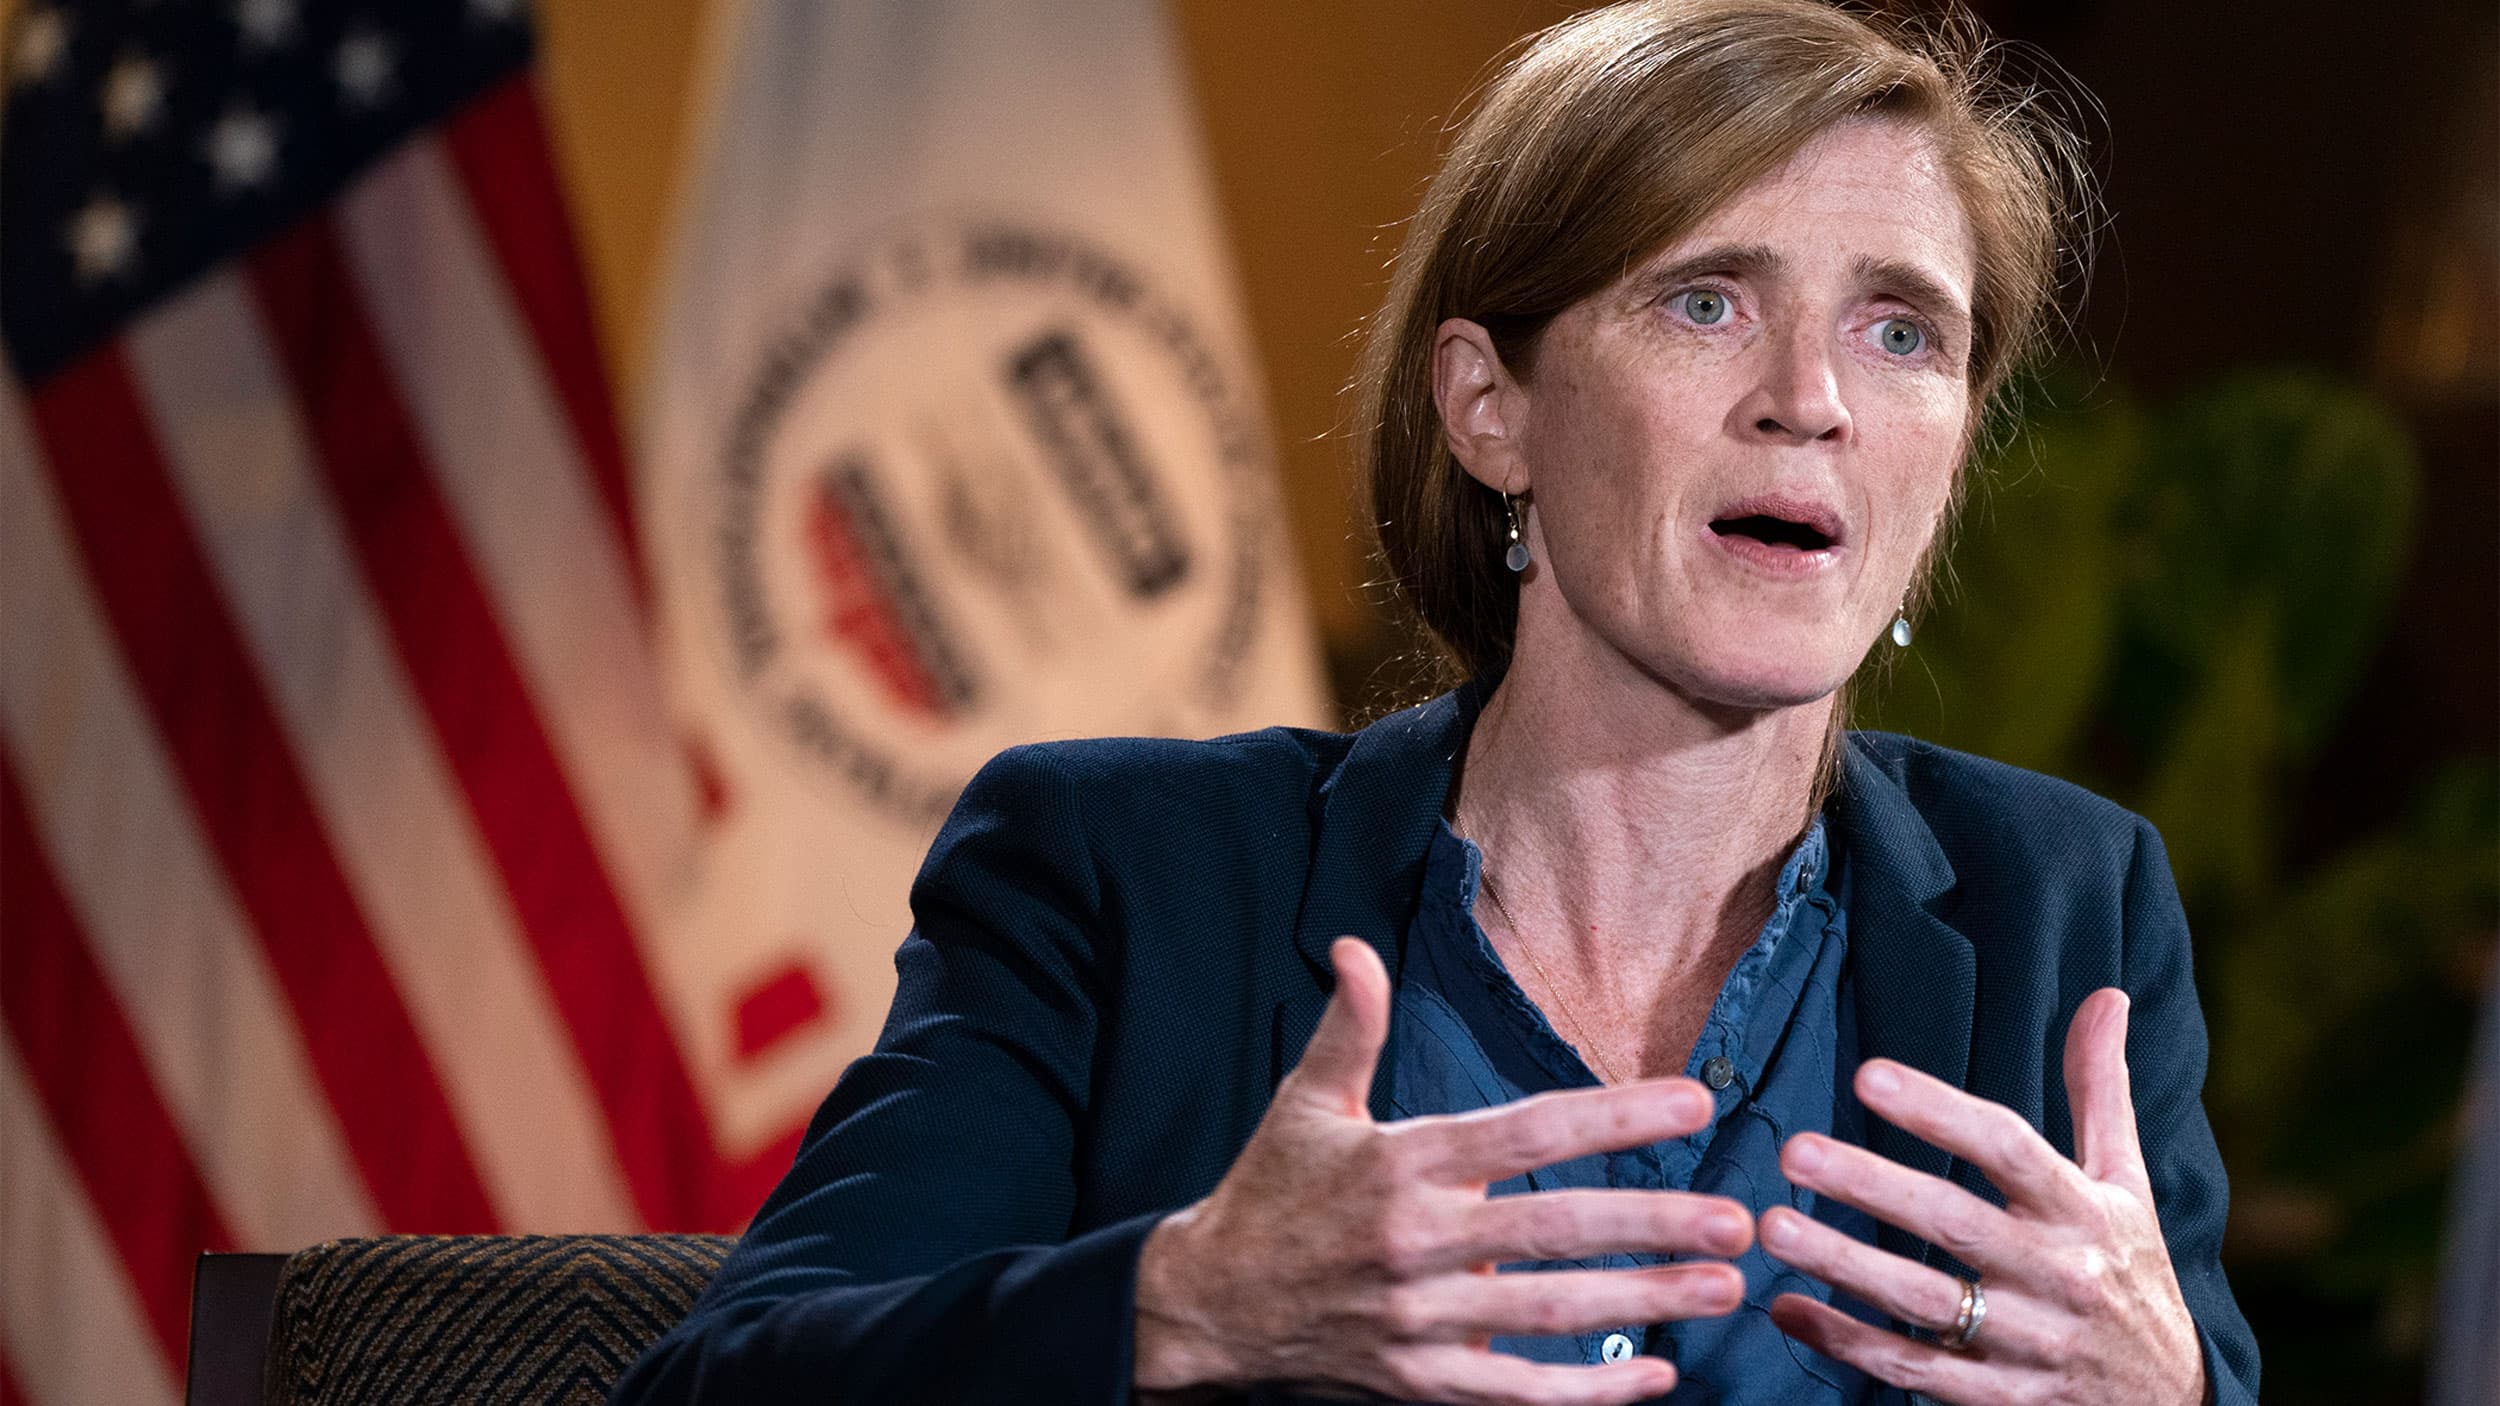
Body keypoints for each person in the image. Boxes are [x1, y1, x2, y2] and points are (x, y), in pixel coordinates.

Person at [612, 2, 2261, 1402]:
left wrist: (2163, 1390)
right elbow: (721, 1382)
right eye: (1707, 301)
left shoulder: (2068, 915)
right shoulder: (1126, 877)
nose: (1811, 400)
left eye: (1902, 332)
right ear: (1490, 408)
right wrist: (1186, 1303)